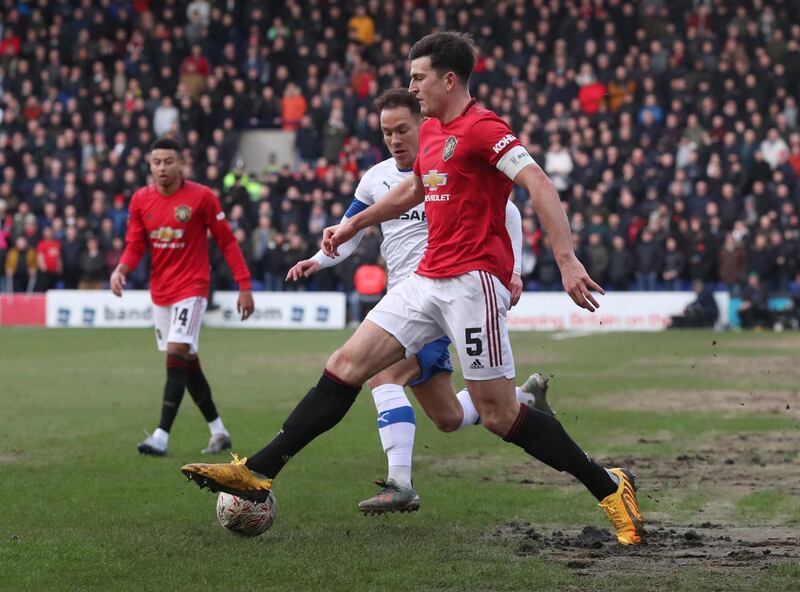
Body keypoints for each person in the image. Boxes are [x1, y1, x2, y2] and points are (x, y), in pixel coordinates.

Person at [182, 33, 644, 546]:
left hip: (473, 284)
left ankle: (609, 486)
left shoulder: (482, 128)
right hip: (425, 280)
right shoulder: (431, 135)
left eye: (418, 77)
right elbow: (413, 191)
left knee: (498, 415)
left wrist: (566, 260)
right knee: (346, 366)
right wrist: (355, 226)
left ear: (449, 79)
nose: (411, 86)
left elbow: (539, 184)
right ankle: (258, 470)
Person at [285, 89, 553, 514]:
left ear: (422, 124)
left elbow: (512, 213)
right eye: (386, 132)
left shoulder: (448, 160)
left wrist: (515, 271)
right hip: (406, 302)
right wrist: (317, 262)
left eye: (401, 129)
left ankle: (400, 483)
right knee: (448, 418)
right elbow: (349, 231)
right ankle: (521, 399)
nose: (393, 139)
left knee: (382, 376)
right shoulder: (375, 179)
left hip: (444, 295)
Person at [110, 138, 255, 457]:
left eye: (168, 161)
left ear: (181, 164)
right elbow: (135, 244)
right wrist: (122, 268)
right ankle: (219, 430)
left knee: (176, 351)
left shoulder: (201, 197)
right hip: (160, 291)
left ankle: (161, 435)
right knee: (186, 361)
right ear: (149, 165)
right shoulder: (140, 200)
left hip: (192, 286)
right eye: (156, 162)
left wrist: (244, 285)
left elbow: (227, 242)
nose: (162, 167)